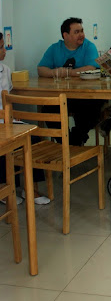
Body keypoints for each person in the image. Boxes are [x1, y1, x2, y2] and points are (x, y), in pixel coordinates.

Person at [0, 33, 50, 204]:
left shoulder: (5, 70)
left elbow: (8, 99)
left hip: (8, 120)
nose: (4, 50)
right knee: (6, 144)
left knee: (32, 137)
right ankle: (5, 188)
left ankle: (30, 188)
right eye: (1, 47)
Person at [38, 17, 103, 146]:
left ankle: (76, 138)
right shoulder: (54, 48)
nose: (81, 35)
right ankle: (65, 142)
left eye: (82, 31)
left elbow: (91, 67)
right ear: (65, 35)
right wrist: (54, 72)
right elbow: (41, 69)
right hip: (62, 95)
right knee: (48, 108)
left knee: (92, 109)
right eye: (77, 32)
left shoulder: (89, 46)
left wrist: (67, 72)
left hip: (86, 95)